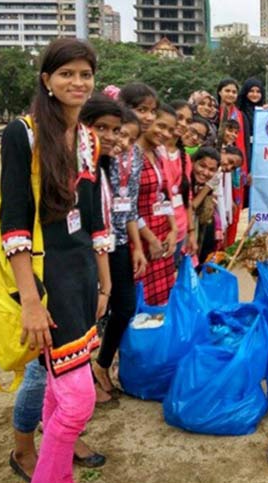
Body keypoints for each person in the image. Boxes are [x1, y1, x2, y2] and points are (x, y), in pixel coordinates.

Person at [2, 38, 112, 483]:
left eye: (85, 74)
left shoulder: (88, 137)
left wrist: (104, 283)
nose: (78, 82)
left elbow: (93, 217)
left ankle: (51, 462)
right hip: (46, 278)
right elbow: (15, 223)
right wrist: (30, 299)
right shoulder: (22, 133)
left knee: (60, 382)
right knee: (79, 398)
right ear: (47, 80)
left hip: (82, 273)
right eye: (67, 73)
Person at [91, 107, 147, 406]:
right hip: (93, 246)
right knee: (95, 311)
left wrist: (137, 247)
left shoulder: (134, 157)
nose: (122, 141)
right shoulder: (95, 160)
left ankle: (100, 364)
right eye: (119, 133)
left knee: (124, 307)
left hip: (121, 242)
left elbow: (131, 206)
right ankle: (86, 378)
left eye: (129, 137)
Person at [137, 104, 178, 305]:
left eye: (170, 130)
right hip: (140, 239)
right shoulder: (132, 155)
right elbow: (127, 207)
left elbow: (163, 194)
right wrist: (150, 239)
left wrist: (173, 228)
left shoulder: (158, 154)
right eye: (161, 126)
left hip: (161, 235)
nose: (165, 133)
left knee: (162, 301)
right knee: (140, 303)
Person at [162, 101, 196, 266]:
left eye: (188, 121)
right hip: (160, 232)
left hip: (180, 232)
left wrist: (191, 232)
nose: (183, 124)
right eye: (179, 117)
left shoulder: (185, 158)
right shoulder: (154, 153)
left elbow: (187, 197)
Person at [217, 78, 249, 246]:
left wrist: (244, 169)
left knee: (234, 210)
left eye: (234, 92)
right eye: (227, 90)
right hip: (216, 166)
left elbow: (242, 144)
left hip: (234, 169)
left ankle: (227, 247)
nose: (230, 94)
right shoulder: (214, 112)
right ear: (220, 92)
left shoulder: (239, 115)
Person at [190, 147, 221, 264]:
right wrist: (208, 187)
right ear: (193, 162)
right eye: (202, 166)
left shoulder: (200, 185)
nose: (205, 172)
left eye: (211, 170)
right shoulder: (185, 179)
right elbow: (191, 207)